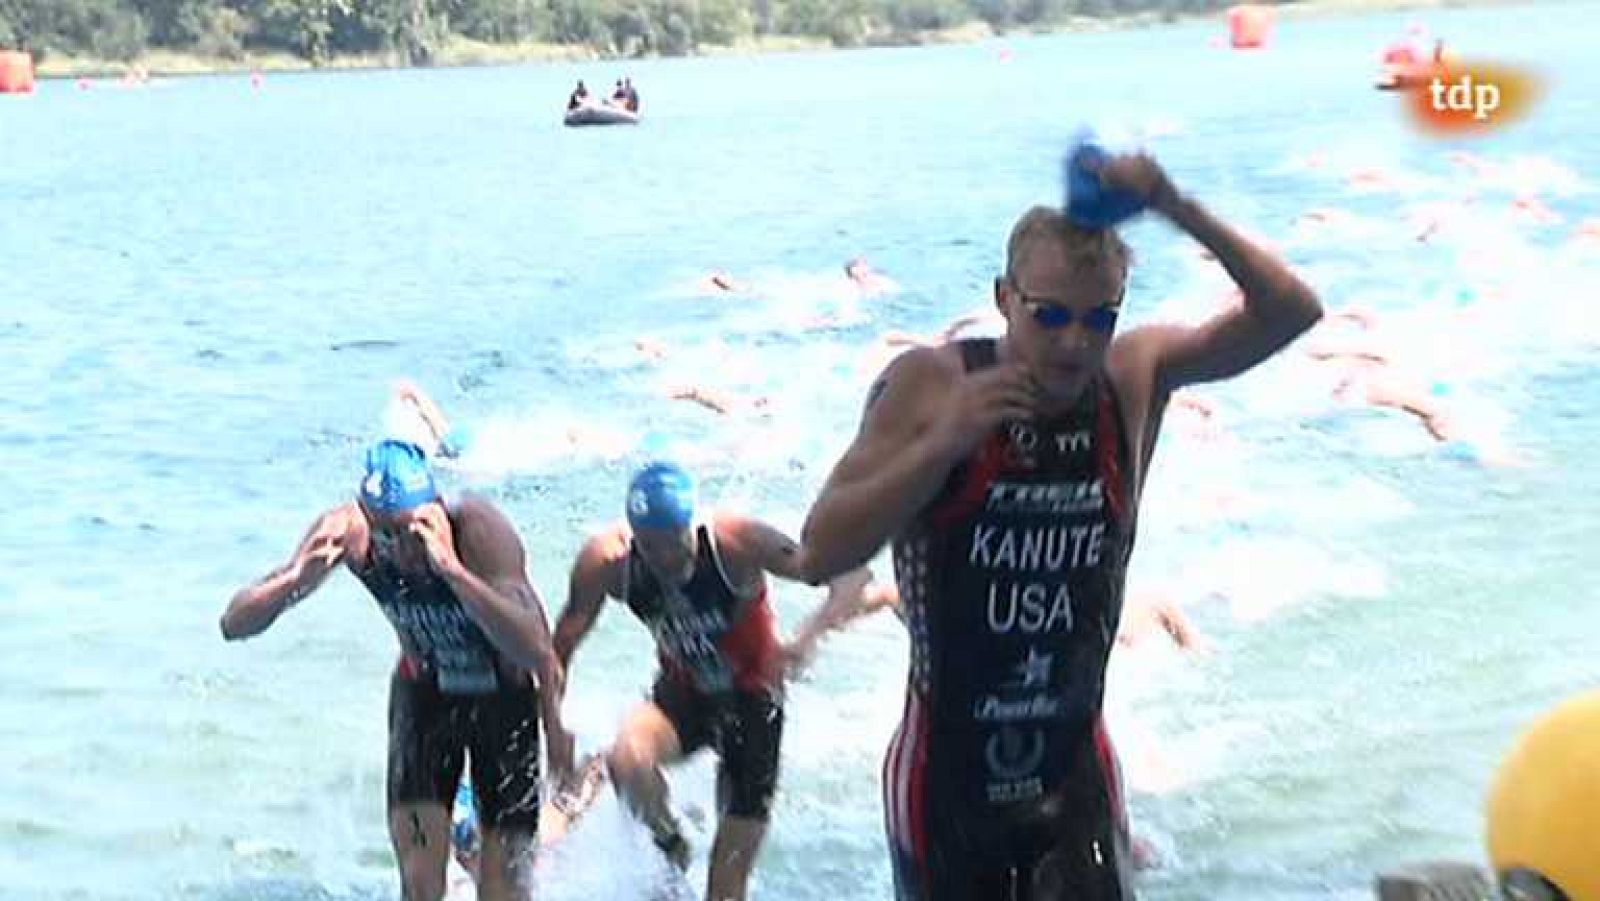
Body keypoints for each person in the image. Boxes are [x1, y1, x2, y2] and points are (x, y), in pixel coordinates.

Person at [795, 149, 1322, 899]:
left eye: (1098, 317)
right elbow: (821, 550)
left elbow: (1293, 312)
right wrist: (943, 442)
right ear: (1005, 298)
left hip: (1076, 773)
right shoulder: (932, 382)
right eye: (1049, 315)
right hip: (946, 783)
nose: (1074, 341)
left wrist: (1175, 205)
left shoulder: (1131, 377)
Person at [219, 439, 574, 901]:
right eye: (387, 534)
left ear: (436, 509)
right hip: (425, 701)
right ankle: (462, 826)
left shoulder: (480, 533)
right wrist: (293, 581)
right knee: (421, 886)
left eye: (415, 529)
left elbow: (537, 650)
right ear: (367, 522)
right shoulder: (345, 533)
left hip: (503, 704)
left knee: (505, 890)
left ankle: (523, 819)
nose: (405, 548)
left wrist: (454, 573)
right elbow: (234, 625)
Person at [551, 460, 875, 901]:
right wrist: (553, 730)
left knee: (724, 889)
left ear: (692, 527)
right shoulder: (608, 563)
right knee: (626, 759)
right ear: (633, 537)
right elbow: (560, 646)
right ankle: (671, 844)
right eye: (651, 547)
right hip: (682, 699)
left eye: (673, 544)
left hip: (753, 706)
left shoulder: (735, 544)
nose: (664, 559)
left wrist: (807, 638)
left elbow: (850, 572)